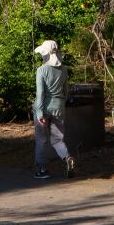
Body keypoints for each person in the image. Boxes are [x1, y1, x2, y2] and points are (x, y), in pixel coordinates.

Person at [32, 39, 74, 180]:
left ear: (45, 54)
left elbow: (40, 94)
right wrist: (61, 104)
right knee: (57, 139)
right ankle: (67, 157)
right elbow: (65, 91)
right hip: (59, 107)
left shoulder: (41, 70)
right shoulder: (64, 69)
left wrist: (39, 113)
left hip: (44, 108)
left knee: (41, 140)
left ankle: (42, 170)